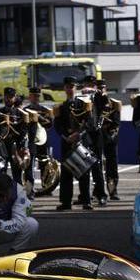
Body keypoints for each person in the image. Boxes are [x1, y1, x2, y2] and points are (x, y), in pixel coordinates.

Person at [55, 77, 93, 211]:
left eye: (72, 87)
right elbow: (57, 126)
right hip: (67, 143)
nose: (70, 89)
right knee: (66, 174)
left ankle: (86, 200)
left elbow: (89, 122)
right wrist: (67, 137)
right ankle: (66, 202)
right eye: (67, 87)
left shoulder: (83, 103)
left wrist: (79, 134)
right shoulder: (61, 106)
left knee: (84, 172)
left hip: (81, 141)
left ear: (75, 88)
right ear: (64, 89)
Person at [92, 81, 122, 201]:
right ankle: (97, 191)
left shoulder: (112, 103)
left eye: (102, 88)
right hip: (96, 137)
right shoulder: (92, 103)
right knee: (96, 164)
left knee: (111, 164)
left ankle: (113, 190)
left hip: (109, 137)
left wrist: (110, 131)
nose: (100, 90)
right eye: (98, 88)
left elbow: (116, 121)